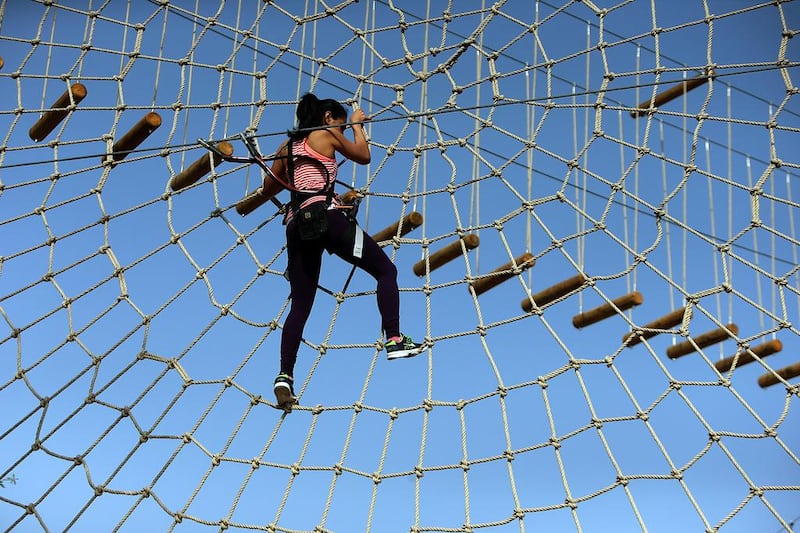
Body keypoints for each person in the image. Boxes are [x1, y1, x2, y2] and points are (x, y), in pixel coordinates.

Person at [268, 93, 424, 411]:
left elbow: (269, 187)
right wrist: (355, 125)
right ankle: (393, 338)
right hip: (328, 220)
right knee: (385, 271)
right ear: (328, 118)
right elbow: (363, 155)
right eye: (337, 121)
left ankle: (284, 376)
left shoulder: (286, 148)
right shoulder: (327, 133)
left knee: (300, 306)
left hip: (298, 227)